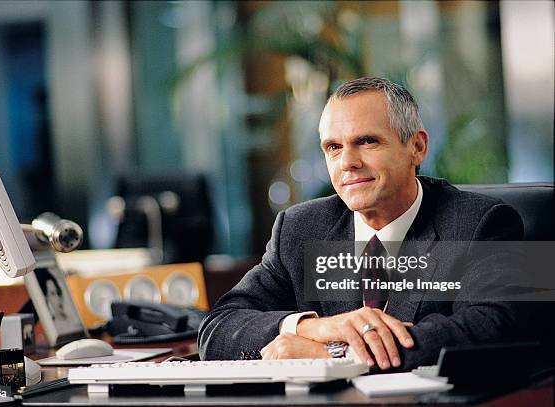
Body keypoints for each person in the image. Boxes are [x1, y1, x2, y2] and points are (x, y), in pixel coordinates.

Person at [198, 77, 534, 370]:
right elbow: (217, 329)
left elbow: (498, 326)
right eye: (333, 147)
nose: (348, 162)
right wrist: (315, 329)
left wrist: (336, 355)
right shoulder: (299, 228)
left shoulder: (482, 222)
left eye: (366, 141)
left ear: (417, 147)